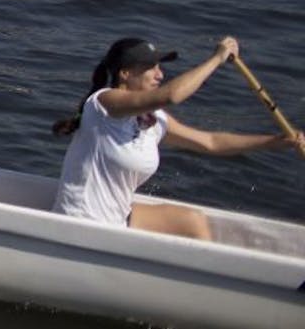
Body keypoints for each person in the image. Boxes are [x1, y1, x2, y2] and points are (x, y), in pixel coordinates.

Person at [51, 37, 302, 239]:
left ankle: (206, 282)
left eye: (161, 67)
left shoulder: (155, 119)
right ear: (125, 73)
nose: (160, 74)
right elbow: (171, 95)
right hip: (82, 224)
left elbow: (211, 142)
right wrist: (216, 59)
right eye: (151, 67)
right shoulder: (104, 103)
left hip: (118, 218)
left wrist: (274, 142)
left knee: (193, 221)